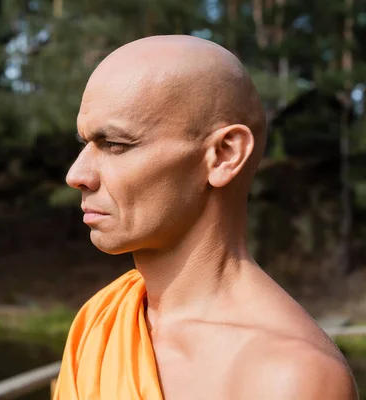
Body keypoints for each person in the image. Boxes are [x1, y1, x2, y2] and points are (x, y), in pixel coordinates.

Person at [52, 35, 358, 400]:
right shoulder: (100, 323)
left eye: (115, 145)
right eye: (84, 144)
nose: (76, 174)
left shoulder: (290, 377)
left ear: (224, 155)